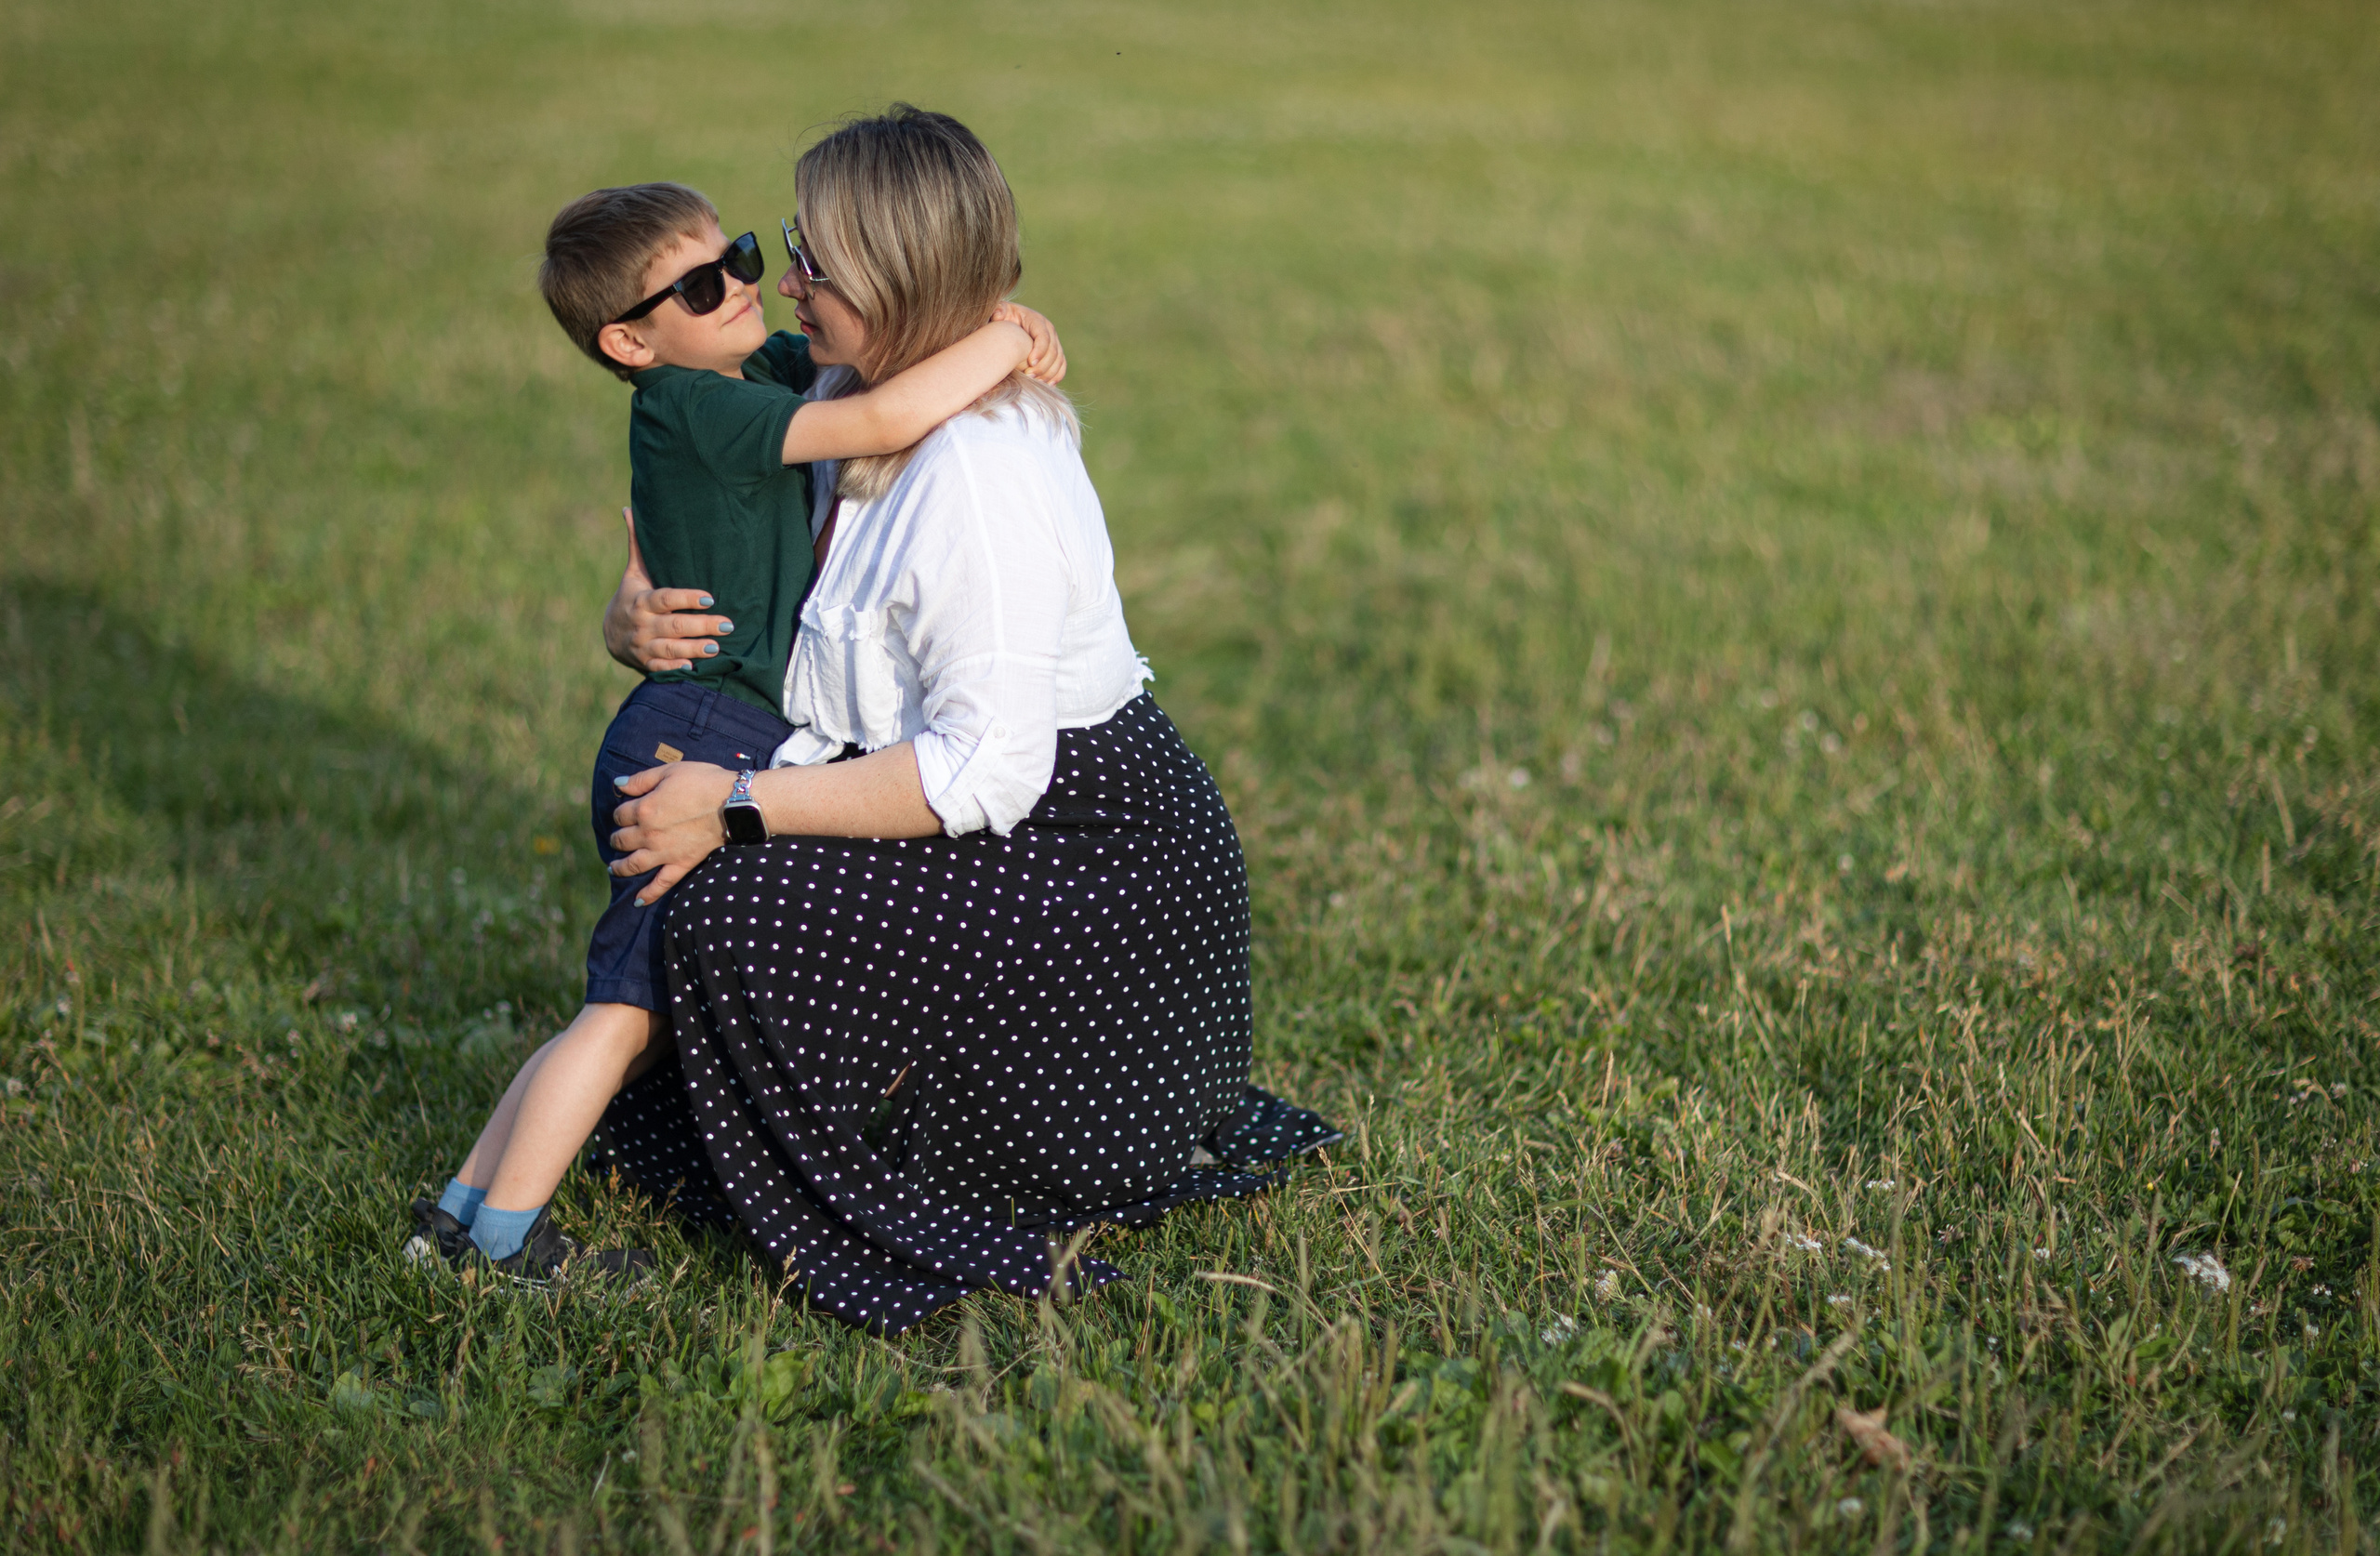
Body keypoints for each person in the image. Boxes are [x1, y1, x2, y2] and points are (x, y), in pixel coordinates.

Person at [594, 106, 1337, 1334]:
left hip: (1080, 864)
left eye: (814, 263)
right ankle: (807, 1106)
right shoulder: (847, 383)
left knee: (725, 903)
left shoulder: (976, 476)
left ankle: (878, 1194)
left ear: (893, 282)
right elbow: (700, 490)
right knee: (689, 871)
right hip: (985, 812)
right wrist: (636, 608)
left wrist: (737, 807)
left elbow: (990, 773)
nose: (787, 286)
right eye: (791, 248)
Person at [406, 180, 1067, 1285]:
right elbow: (879, 419)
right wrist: (1004, 335)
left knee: (621, 999)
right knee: (625, 1014)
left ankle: (456, 1216)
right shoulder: (689, 404)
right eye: (703, 285)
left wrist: (994, 315)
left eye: (746, 257)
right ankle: (507, 1248)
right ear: (629, 340)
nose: (747, 288)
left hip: (696, 719)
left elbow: (878, 364)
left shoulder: (742, 372)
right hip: (696, 733)